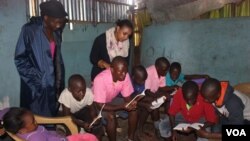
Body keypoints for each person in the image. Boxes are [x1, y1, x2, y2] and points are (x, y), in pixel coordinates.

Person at [14, 0, 68, 116]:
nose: (59, 25)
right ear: (46, 18)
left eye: (61, 22)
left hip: (53, 82)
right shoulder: (30, 31)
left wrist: (58, 81)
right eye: (56, 21)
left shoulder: (56, 32)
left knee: (51, 114)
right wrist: (38, 78)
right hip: (36, 85)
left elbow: (56, 58)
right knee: (35, 117)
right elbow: (20, 59)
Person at [92, 56, 137, 141]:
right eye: (121, 72)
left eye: (125, 71)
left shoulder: (125, 75)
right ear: (112, 69)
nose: (124, 74)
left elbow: (127, 97)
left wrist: (131, 103)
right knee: (111, 116)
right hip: (97, 104)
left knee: (134, 109)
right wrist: (122, 106)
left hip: (111, 100)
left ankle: (131, 138)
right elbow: (99, 105)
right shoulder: (100, 79)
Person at [0, 107, 98, 141]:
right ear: (23, 130)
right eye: (33, 122)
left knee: (89, 137)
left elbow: (4, 111)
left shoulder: (19, 125)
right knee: (90, 138)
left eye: (34, 119)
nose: (36, 122)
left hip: (60, 138)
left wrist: (2, 125)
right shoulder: (36, 138)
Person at [58, 74, 103, 140]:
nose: (82, 94)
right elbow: (67, 116)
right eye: (78, 92)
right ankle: (69, 129)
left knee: (96, 126)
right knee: (73, 129)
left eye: (83, 90)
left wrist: (94, 118)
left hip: (80, 110)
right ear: (70, 89)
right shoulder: (66, 95)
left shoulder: (88, 93)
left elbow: (92, 110)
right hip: (65, 113)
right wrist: (81, 124)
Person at [137, 57, 171, 138]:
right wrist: (157, 97)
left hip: (152, 93)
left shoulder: (162, 73)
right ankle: (142, 129)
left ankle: (159, 126)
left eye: (167, 70)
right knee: (152, 105)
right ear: (157, 68)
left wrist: (169, 91)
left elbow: (161, 87)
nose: (166, 72)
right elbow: (147, 91)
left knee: (166, 98)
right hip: (142, 94)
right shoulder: (149, 72)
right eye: (165, 70)